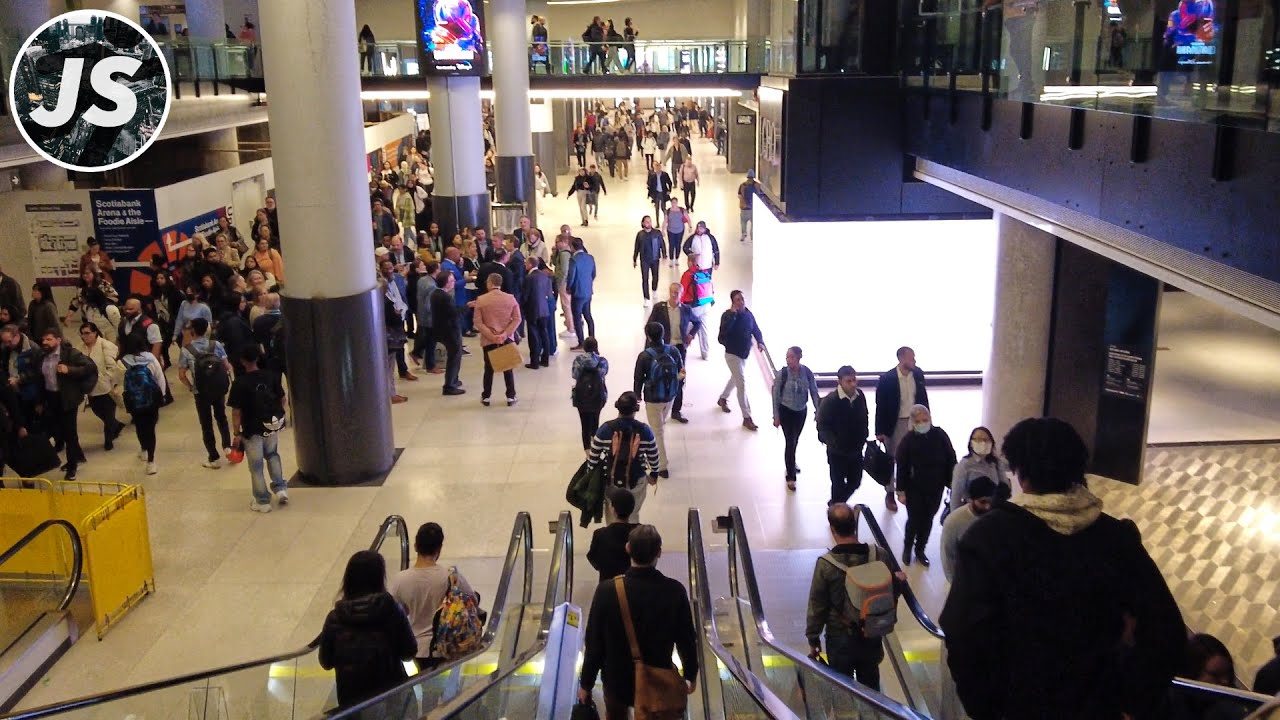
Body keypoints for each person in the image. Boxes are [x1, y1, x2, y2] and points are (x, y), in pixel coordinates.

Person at [940, 417, 1185, 720]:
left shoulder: (989, 538)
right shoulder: (1115, 538)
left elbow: (965, 638)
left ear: (1020, 473)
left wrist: (989, 710)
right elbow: (1168, 631)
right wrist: (1131, 702)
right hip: (1098, 706)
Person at [579, 524, 698, 719]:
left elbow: (594, 644)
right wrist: (690, 674)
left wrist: (586, 684)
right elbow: (686, 639)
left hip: (617, 681)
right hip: (657, 683)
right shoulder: (674, 591)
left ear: (628, 549)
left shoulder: (607, 591)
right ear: (659, 553)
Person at [806, 502, 904, 691]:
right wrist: (899, 582)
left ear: (832, 529)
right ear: (854, 526)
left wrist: (813, 638)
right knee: (870, 684)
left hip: (840, 637)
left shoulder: (826, 565)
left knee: (842, 689)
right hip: (872, 631)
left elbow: (817, 605)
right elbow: (890, 591)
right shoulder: (879, 555)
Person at [319, 550, 416, 709]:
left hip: (352, 703)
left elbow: (326, 662)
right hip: (392, 699)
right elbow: (409, 652)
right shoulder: (392, 611)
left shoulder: (335, 618)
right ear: (379, 577)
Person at [389, 522, 476, 671]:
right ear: (439, 549)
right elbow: (473, 601)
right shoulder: (451, 577)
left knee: (422, 683)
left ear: (416, 546)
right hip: (447, 646)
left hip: (417, 649)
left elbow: (396, 615)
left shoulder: (400, 580)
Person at [26, 329, 95, 480]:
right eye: (43, 340)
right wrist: (39, 401)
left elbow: (89, 368)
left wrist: (69, 369)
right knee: (59, 431)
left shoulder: (71, 354)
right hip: (50, 398)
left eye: (49, 339)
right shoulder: (41, 356)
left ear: (58, 340)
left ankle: (72, 466)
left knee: (70, 433)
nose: (45, 342)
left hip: (67, 398)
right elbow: (40, 380)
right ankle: (78, 457)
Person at [228, 346, 288, 512]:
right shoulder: (271, 376)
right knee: (273, 455)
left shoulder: (239, 383)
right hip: (270, 425)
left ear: (242, 361)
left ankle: (262, 501)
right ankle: (281, 488)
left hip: (251, 429)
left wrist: (236, 432)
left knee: (256, 466)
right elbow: (282, 399)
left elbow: (236, 411)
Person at [894, 404, 954, 566]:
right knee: (914, 520)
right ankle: (907, 547)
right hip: (915, 489)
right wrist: (900, 491)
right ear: (913, 423)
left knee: (928, 519)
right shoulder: (907, 441)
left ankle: (920, 549)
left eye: (925, 420)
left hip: (936, 487)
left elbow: (950, 459)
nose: (922, 423)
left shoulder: (940, 435)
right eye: (918, 421)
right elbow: (902, 467)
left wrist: (952, 482)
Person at [587, 392, 660, 521]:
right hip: (636, 480)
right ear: (635, 410)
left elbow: (593, 458)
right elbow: (653, 456)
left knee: (612, 515)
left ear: (618, 407)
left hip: (611, 480)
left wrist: (591, 476)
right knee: (632, 513)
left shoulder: (605, 429)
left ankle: (613, 536)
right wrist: (653, 474)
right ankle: (632, 536)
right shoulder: (644, 431)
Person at [875, 346, 929, 512]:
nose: (914, 361)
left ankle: (910, 488)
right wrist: (880, 431)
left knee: (914, 456)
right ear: (901, 359)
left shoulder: (918, 374)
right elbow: (881, 406)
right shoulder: (887, 379)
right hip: (896, 422)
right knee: (893, 457)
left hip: (915, 421)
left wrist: (927, 420)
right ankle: (890, 492)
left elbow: (923, 397)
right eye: (911, 358)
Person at [179, 318, 234, 469]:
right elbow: (227, 366)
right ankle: (227, 447)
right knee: (221, 417)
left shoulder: (186, 350)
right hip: (218, 388)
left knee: (206, 424)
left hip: (200, 392)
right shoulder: (215, 345)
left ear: (192, 331)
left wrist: (191, 387)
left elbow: (182, 375)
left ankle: (214, 457)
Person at [633, 322, 684, 480]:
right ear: (663, 334)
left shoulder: (645, 356)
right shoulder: (673, 350)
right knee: (660, 424)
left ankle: (662, 466)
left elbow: (638, 378)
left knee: (657, 431)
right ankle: (660, 457)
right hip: (670, 395)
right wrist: (675, 384)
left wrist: (637, 396)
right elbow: (682, 371)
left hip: (653, 397)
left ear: (648, 336)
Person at [815, 365, 869, 506]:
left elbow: (864, 417)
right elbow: (822, 425)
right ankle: (837, 510)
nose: (853, 384)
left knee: (855, 482)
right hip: (837, 452)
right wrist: (833, 442)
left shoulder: (860, 396)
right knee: (837, 483)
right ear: (839, 382)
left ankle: (836, 504)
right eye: (848, 381)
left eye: (854, 380)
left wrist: (864, 436)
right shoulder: (830, 401)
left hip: (856, 450)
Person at [772, 346, 821, 491]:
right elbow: (775, 395)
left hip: (801, 411)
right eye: (787, 357)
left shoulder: (807, 372)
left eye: (792, 357)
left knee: (795, 439)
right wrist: (776, 415)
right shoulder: (783, 374)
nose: (789, 360)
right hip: (786, 411)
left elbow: (813, 390)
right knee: (790, 441)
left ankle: (791, 462)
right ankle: (791, 476)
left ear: (799, 358)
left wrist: (819, 410)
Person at [471, 274, 521, 407]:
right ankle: (511, 396)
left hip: (489, 340)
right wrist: (505, 334)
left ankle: (486, 396)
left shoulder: (481, 300)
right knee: (507, 367)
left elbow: (478, 322)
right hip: (506, 338)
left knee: (488, 368)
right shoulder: (510, 298)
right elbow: (517, 319)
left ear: (490, 283)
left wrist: (491, 336)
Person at [716, 290, 764, 431]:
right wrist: (733, 316)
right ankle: (747, 417)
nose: (741, 301)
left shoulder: (748, 314)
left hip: (744, 354)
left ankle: (722, 398)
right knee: (741, 383)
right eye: (737, 300)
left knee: (735, 378)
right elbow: (723, 334)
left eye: (742, 299)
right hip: (732, 355)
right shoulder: (727, 315)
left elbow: (755, 328)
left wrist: (760, 341)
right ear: (733, 302)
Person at [119, 334, 166, 475]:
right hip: (152, 400)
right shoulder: (150, 358)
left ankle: (143, 449)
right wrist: (161, 396)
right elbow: (159, 377)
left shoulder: (122, 362)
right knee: (151, 429)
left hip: (134, 402)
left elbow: (120, 384)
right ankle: (151, 462)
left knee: (140, 427)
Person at [940, 475, 1001, 582]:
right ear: (971, 499)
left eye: (990, 502)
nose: (987, 506)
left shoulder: (996, 515)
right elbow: (947, 555)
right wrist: (954, 582)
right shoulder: (953, 521)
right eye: (983, 502)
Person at [645, 283, 691, 424]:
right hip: (663, 348)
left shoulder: (686, 310)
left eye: (676, 292)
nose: (673, 295)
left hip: (679, 349)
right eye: (671, 292)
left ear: (681, 294)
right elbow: (649, 326)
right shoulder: (659, 308)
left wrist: (691, 335)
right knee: (661, 375)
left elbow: (698, 322)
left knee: (679, 377)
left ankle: (676, 410)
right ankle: (662, 406)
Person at [77, 323, 124, 452]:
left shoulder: (106, 346)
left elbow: (113, 366)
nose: (84, 336)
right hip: (90, 388)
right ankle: (117, 425)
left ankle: (108, 441)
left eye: (87, 333)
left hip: (106, 387)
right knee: (98, 411)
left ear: (95, 333)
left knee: (108, 415)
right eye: (82, 333)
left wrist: (107, 379)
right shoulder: (80, 348)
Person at [949, 426, 1009, 512]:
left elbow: (1005, 487)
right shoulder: (964, 465)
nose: (982, 443)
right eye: (978, 439)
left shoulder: (996, 463)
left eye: (986, 440)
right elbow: (955, 497)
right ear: (971, 443)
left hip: (994, 510)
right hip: (972, 511)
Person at [586, 488, 639, 582]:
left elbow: (593, 559)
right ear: (632, 508)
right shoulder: (640, 532)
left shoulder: (600, 535)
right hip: (636, 587)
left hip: (609, 587)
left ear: (612, 509)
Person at [430, 271, 465, 395]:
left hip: (442, 329)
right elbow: (453, 313)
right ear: (446, 283)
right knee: (454, 357)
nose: (454, 282)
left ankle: (454, 379)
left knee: (454, 355)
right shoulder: (445, 297)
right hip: (450, 330)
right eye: (451, 280)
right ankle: (449, 385)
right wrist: (467, 307)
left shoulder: (436, 293)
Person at [571, 337, 610, 450]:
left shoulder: (578, 360)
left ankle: (587, 449)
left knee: (584, 424)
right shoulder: (602, 361)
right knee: (595, 420)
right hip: (598, 395)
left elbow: (575, 375)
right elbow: (604, 373)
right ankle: (596, 444)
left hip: (581, 396)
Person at [678, 254, 714, 360]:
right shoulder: (704, 273)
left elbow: (682, 292)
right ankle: (705, 353)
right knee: (704, 329)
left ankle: (681, 351)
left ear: (690, 262)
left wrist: (680, 306)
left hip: (693, 307)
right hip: (706, 304)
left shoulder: (688, 274)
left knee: (685, 329)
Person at [521, 257, 553, 369]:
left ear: (530, 264)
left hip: (532, 310)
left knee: (533, 336)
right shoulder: (545, 275)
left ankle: (534, 361)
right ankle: (545, 359)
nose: (525, 265)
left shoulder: (529, 278)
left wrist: (522, 307)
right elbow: (548, 293)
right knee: (544, 334)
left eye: (526, 263)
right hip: (544, 309)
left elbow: (525, 296)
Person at [567, 238, 597, 351]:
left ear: (573, 247)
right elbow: (594, 274)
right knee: (588, 315)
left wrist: (569, 287)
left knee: (577, 317)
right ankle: (592, 338)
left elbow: (571, 276)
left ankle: (581, 342)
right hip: (588, 291)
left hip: (577, 292)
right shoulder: (590, 257)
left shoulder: (574, 260)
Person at [632, 215, 666, 305]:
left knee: (655, 276)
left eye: (650, 221)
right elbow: (636, 247)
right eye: (646, 221)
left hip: (655, 259)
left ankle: (654, 290)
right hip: (644, 260)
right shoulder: (640, 234)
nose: (649, 223)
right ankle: (646, 298)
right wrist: (634, 259)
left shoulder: (657, 233)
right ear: (643, 223)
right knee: (645, 279)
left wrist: (664, 255)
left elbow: (662, 244)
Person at [27, 283, 60, 348]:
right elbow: (29, 322)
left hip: (46, 338)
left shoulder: (48, 306)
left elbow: (55, 324)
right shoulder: (32, 304)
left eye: (36, 290)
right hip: (34, 338)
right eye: (33, 290)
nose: (33, 292)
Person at [661, 197, 689, 268]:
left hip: (680, 230)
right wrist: (663, 230)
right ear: (671, 203)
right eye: (672, 202)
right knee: (671, 245)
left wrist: (690, 226)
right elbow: (665, 221)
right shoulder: (668, 211)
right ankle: (671, 260)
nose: (674, 204)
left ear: (677, 202)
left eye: (675, 202)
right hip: (671, 231)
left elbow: (688, 218)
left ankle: (676, 258)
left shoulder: (682, 210)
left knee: (678, 245)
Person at [737, 169, 758, 242]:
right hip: (753, 208)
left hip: (744, 208)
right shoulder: (757, 186)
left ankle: (744, 234)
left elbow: (739, 195)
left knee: (743, 222)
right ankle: (752, 236)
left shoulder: (742, 185)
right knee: (754, 223)